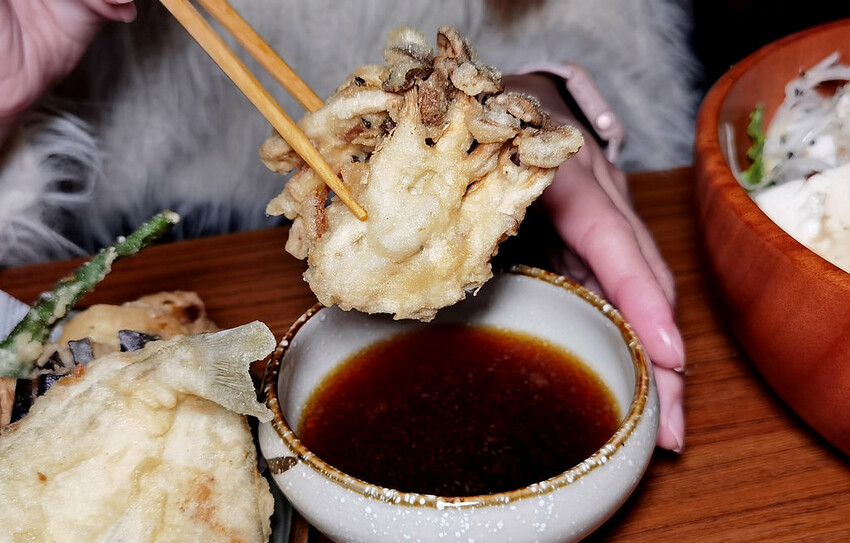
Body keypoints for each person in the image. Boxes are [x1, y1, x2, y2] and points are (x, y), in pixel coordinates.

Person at [0, 0, 692, 452]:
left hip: (483, 255)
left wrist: (551, 92)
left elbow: (612, 35)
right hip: (121, 264)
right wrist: (13, 79)